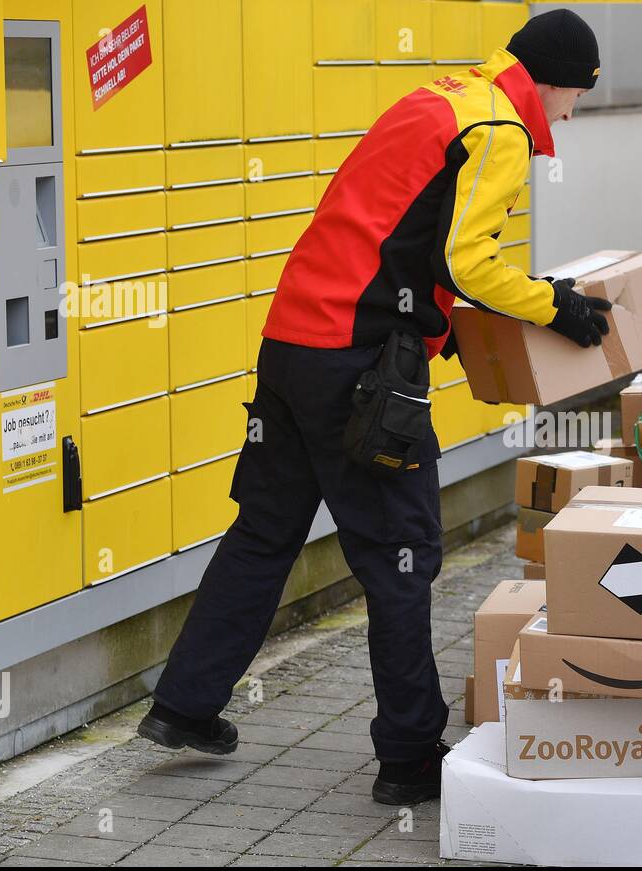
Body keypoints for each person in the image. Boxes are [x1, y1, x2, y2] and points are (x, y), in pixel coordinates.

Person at [137, 9, 610, 806]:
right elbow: (468, 260)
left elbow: (393, 231)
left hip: (291, 345)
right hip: (356, 370)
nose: (570, 114)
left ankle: (184, 706)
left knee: (264, 533)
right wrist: (551, 307)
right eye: (577, 97)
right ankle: (409, 757)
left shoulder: (440, 97)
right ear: (559, 83)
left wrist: (434, 322)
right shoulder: (498, 129)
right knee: (401, 557)